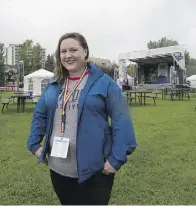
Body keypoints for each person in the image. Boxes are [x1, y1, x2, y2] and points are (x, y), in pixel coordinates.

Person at [27, 32, 137, 205]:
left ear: (85, 52)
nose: (68, 55)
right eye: (63, 51)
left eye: (73, 50)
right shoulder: (54, 84)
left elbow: (121, 120)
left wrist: (115, 160)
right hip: (58, 169)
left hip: (95, 171)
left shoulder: (104, 83)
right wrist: (34, 144)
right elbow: (40, 115)